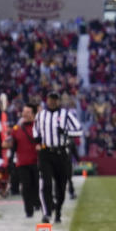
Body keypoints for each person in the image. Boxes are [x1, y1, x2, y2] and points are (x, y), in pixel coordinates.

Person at [35, 91, 82, 223]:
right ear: (47, 100)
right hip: (45, 152)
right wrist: (37, 140)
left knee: (61, 187)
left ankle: (58, 210)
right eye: (51, 99)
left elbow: (79, 129)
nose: (53, 102)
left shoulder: (66, 114)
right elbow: (35, 130)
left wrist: (67, 132)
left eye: (55, 99)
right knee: (46, 183)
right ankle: (47, 212)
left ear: (58, 101)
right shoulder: (40, 115)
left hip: (61, 153)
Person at [2, 104, 41, 217]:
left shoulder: (39, 127)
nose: (25, 114)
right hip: (22, 163)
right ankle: (29, 211)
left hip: (37, 162)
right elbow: (12, 145)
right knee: (26, 187)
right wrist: (10, 160)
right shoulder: (17, 129)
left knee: (37, 185)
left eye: (28, 112)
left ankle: (38, 203)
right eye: (24, 112)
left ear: (33, 114)